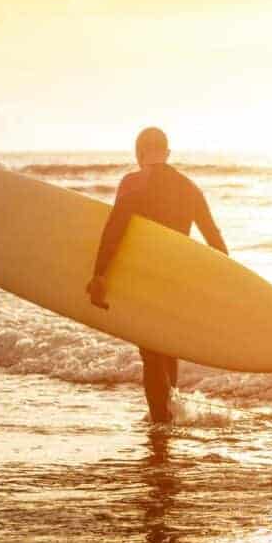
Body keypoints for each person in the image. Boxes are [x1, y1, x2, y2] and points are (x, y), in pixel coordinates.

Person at [86, 127, 228, 423]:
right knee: (167, 346)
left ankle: (160, 427)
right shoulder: (190, 189)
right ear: (167, 153)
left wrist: (99, 275)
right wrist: (226, 288)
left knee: (151, 353)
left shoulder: (133, 183)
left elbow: (115, 229)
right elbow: (214, 240)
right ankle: (169, 415)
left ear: (139, 154)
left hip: (145, 279)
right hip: (177, 282)